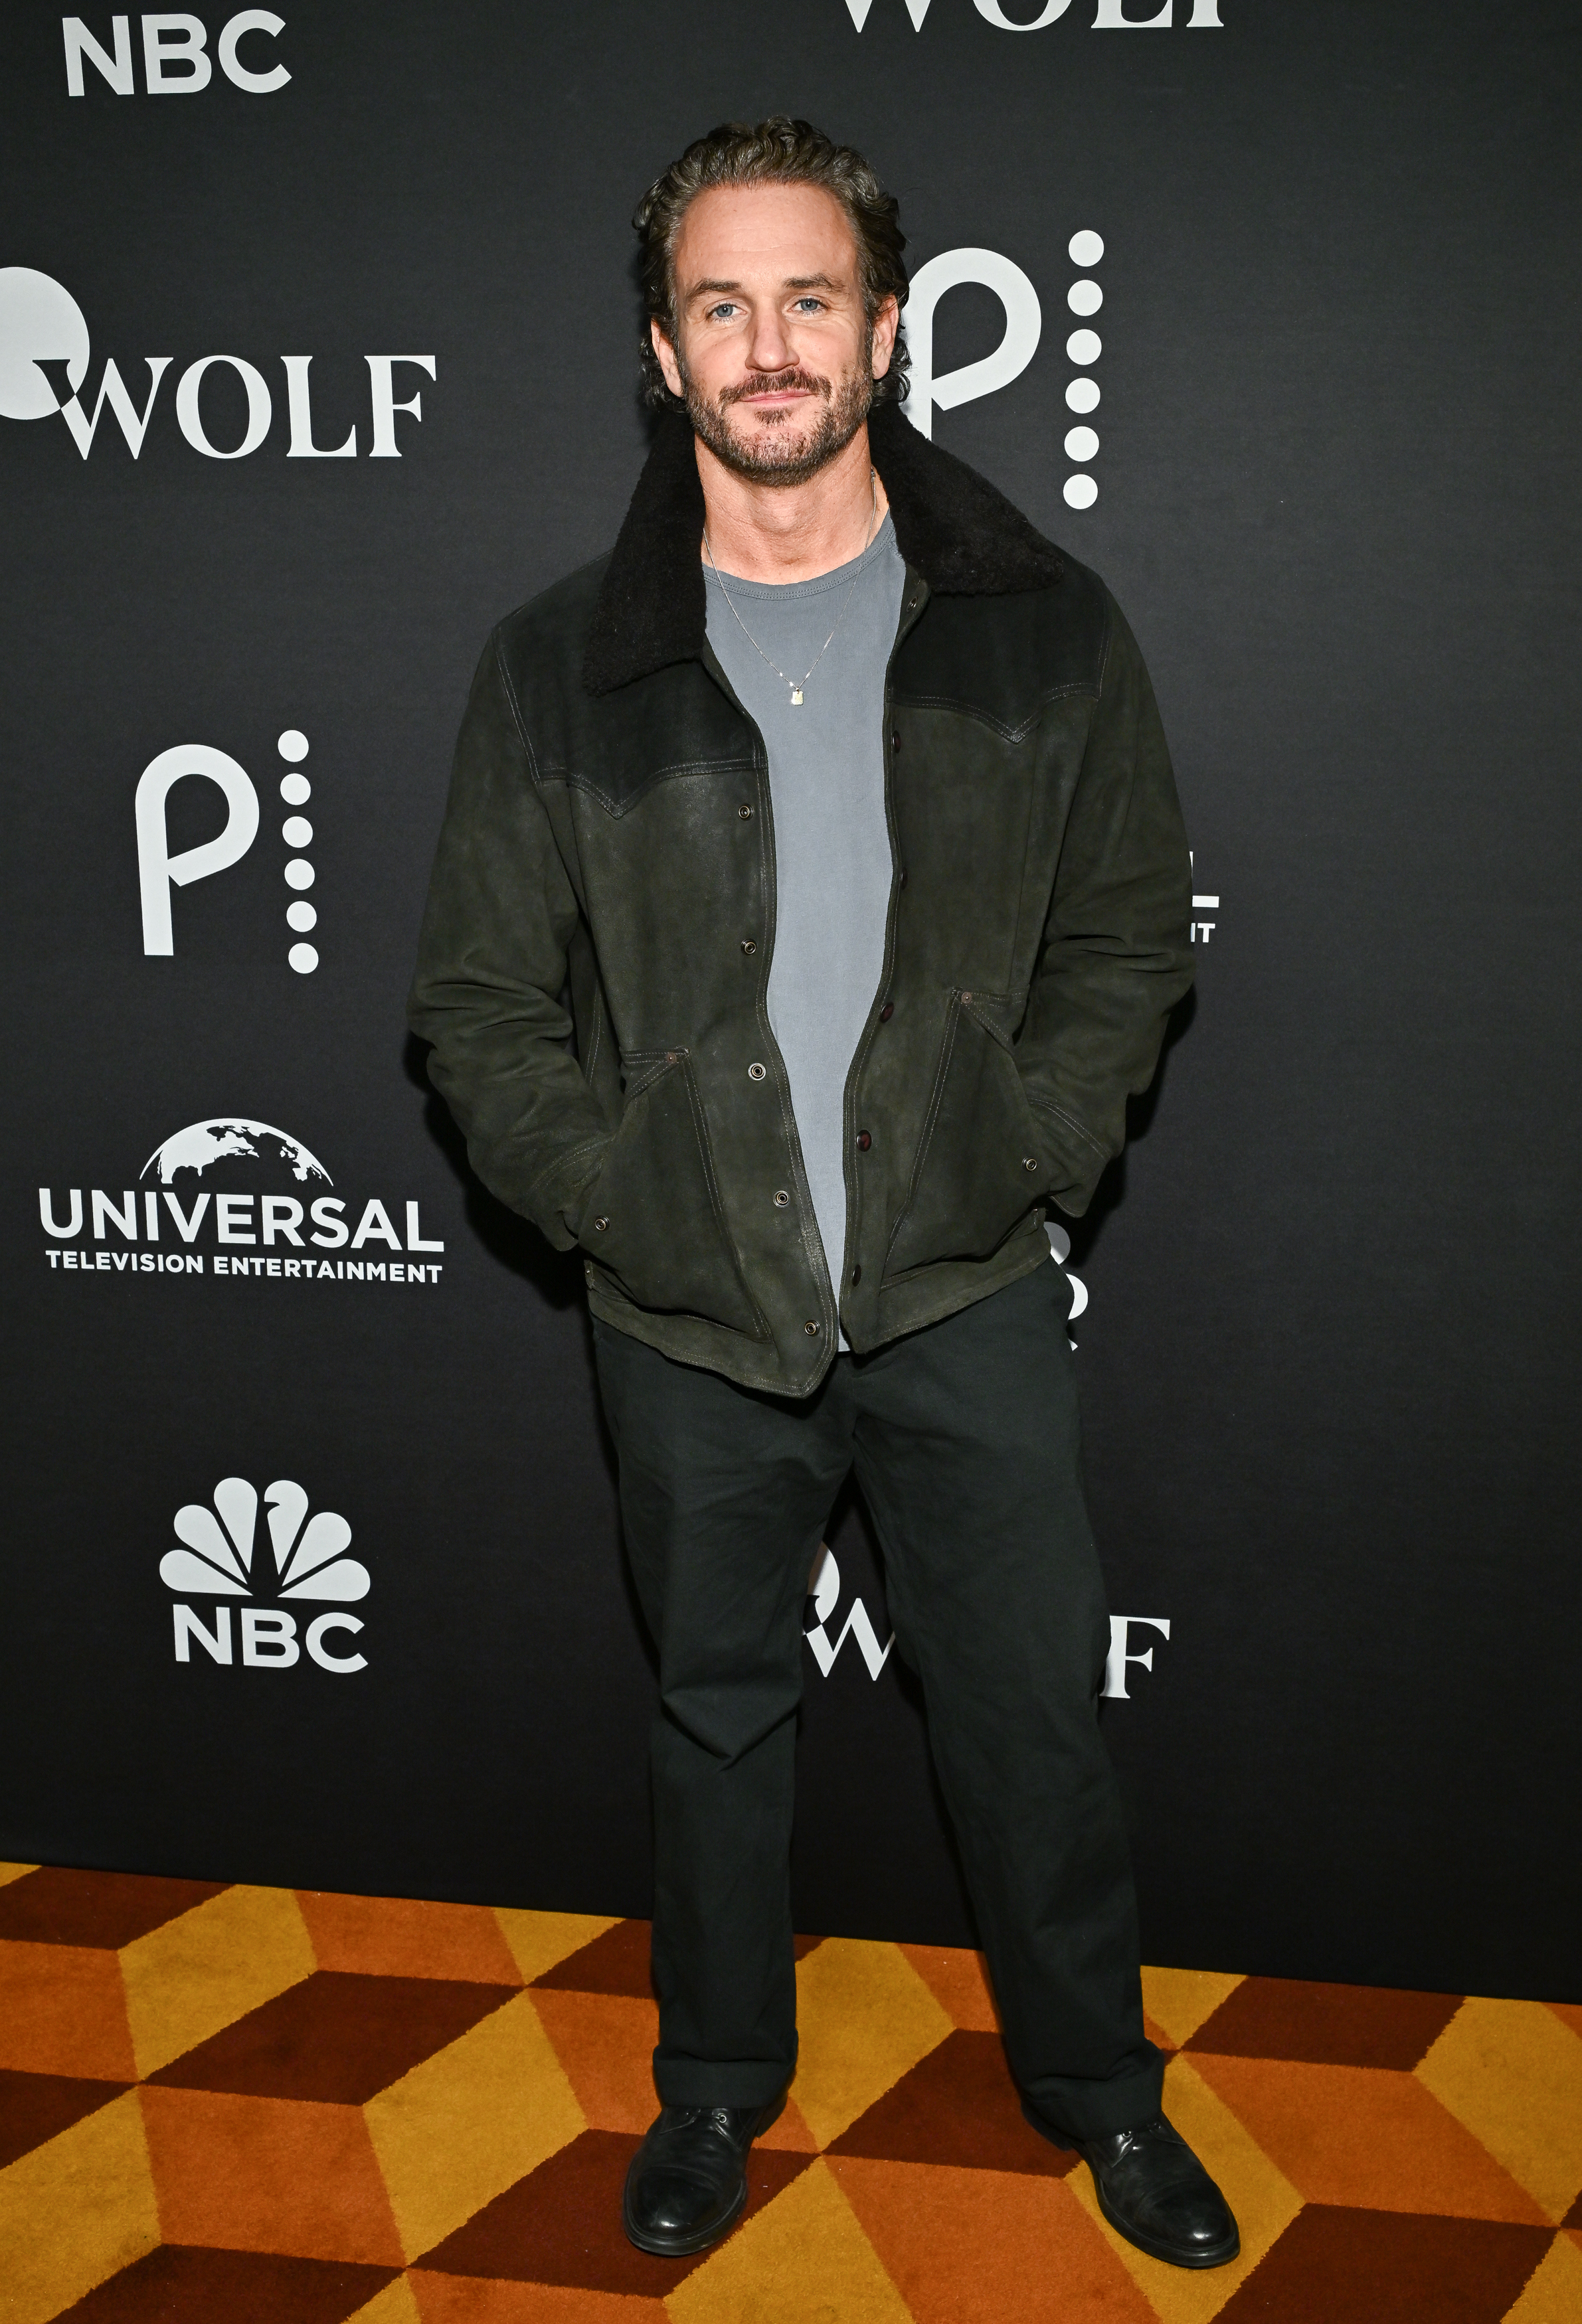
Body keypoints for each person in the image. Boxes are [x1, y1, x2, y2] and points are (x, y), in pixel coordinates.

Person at [408, 117, 1237, 2274]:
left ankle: (1102, 2093)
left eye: (807, 297)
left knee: (1036, 1721)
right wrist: (622, 1200)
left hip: (965, 1284)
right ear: (664, 357)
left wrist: (1031, 1143)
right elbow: (480, 1006)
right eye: (719, 304)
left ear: (885, 326)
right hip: (688, 1313)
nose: (767, 343)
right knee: (712, 1719)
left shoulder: (1046, 633)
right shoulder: (552, 666)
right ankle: (712, 2088)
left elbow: (1134, 936)